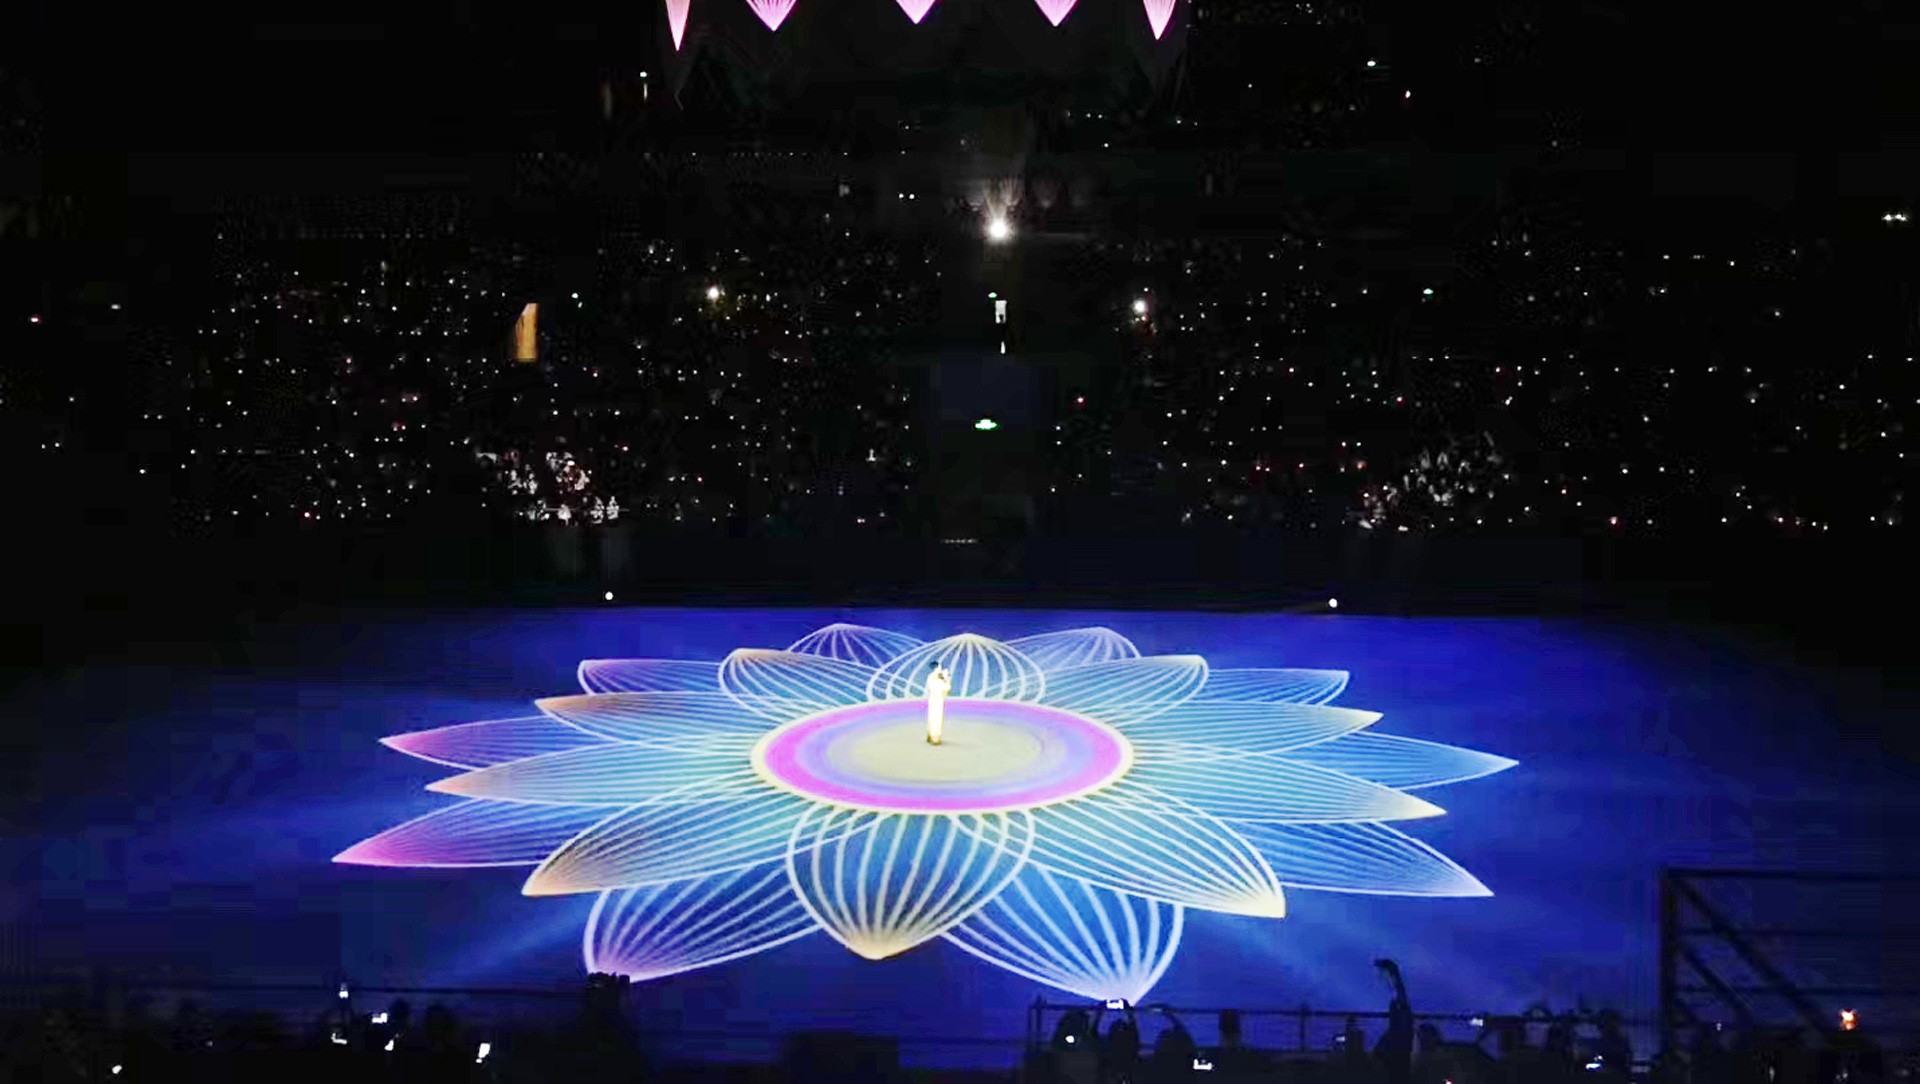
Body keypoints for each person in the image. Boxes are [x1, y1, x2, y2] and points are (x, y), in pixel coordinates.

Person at [925, 660, 951, 745]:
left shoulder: (930, 677)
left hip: (932, 699)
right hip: (938, 699)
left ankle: (930, 734)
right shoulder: (939, 678)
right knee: (937, 718)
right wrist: (946, 679)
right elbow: (947, 688)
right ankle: (935, 738)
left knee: (931, 717)